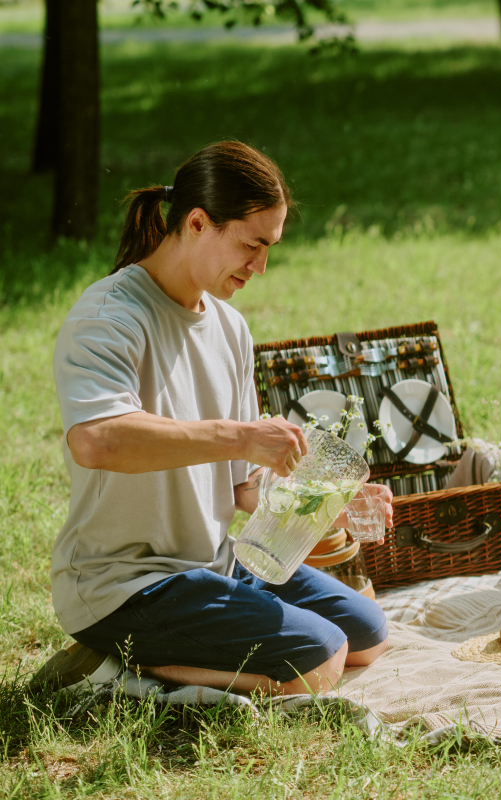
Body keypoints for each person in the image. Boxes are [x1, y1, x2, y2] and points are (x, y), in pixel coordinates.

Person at [32, 141, 390, 698]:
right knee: (320, 662)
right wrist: (245, 436)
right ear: (198, 222)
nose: (261, 266)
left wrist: (328, 502)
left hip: (212, 563)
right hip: (123, 583)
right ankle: (110, 671)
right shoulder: (109, 317)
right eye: (252, 244)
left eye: (269, 247)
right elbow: (99, 441)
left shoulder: (229, 327)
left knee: (366, 632)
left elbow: (244, 487)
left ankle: (152, 656)